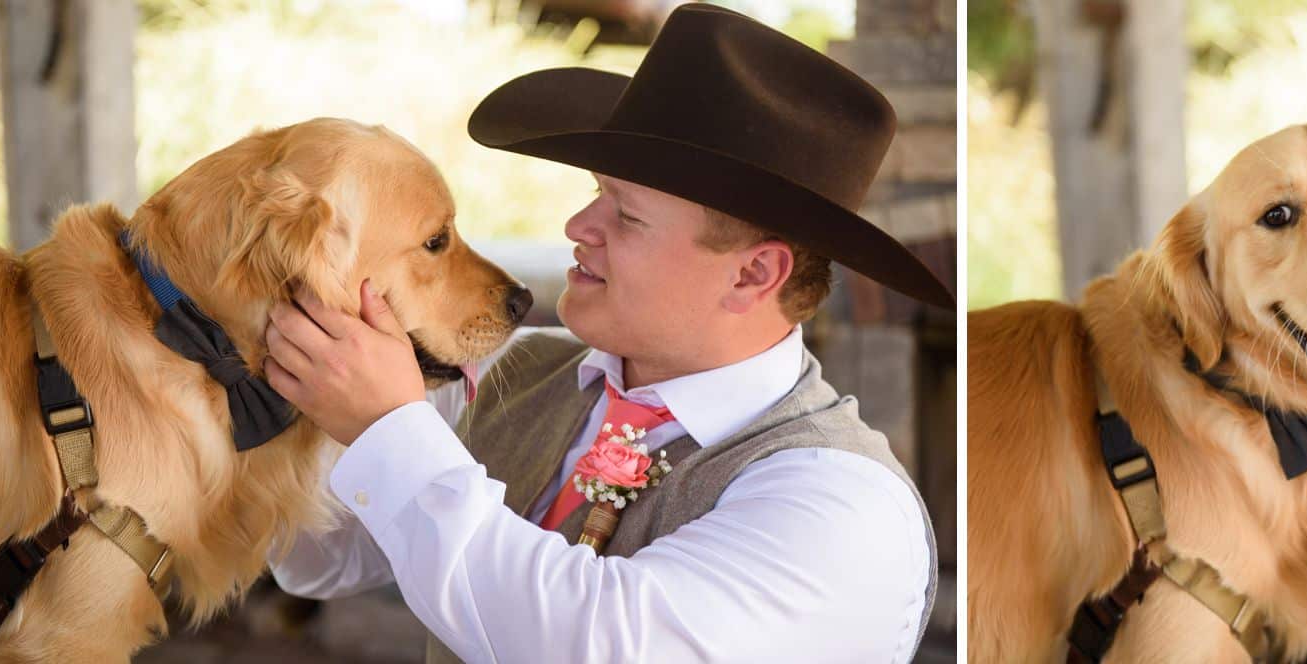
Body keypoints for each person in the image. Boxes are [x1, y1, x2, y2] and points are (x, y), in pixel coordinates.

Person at [260, 5, 953, 663]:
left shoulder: (844, 507)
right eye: (596, 193)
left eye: (626, 216)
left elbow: (593, 644)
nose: (577, 228)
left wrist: (387, 425)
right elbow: (321, 558)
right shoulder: (520, 373)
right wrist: (312, 379)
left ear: (752, 275)